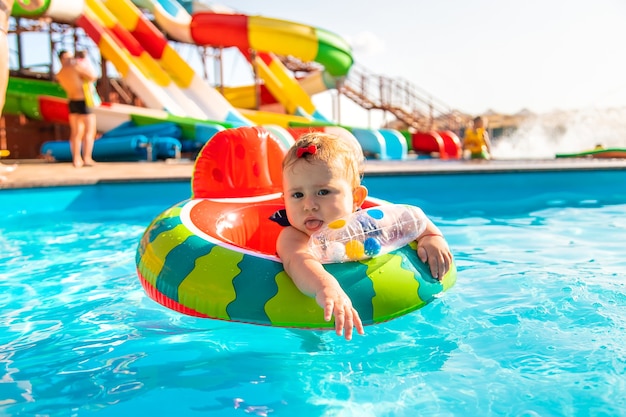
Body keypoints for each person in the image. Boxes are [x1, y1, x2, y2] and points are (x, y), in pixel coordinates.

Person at [275, 132, 453, 340]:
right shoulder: (293, 237)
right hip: (309, 322)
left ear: (356, 197)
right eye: (297, 195)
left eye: (323, 192)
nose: (309, 205)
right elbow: (298, 261)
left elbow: (409, 218)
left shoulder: (366, 223)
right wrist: (326, 287)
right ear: (284, 200)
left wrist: (431, 236)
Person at [55, 49, 98, 167]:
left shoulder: (59, 73)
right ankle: (87, 158)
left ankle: (76, 159)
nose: (71, 59)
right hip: (83, 100)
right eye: (69, 57)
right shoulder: (75, 68)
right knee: (89, 131)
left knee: (76, 132)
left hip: (72, 101)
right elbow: (93, 76)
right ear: (63, 59)